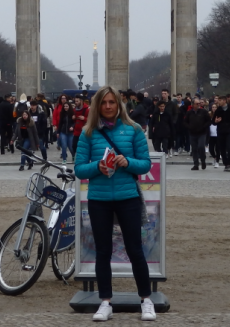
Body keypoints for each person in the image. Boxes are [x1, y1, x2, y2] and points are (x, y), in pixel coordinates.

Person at [73, 86, 155, 322]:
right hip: (99, 199)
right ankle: (105, 301)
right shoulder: (88, 133)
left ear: (119, 105)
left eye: (112, 102)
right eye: (104, 102)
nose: (108, 106)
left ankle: (145, 299)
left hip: (127, 197)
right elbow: (79, 169)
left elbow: (145, 164)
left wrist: (127, 161)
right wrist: (97, 167)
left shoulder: (134, 130)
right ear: (97, 106)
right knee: (103, 252)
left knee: (135, 250)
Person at [186, 98, 211, 170]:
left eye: (199, 103)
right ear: (193, 105)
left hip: (202, 133)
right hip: (192, 133)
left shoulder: (204, 112)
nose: (199, 105)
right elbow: (185, 122)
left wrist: (203, 127)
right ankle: (196, 164)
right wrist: (189, 127)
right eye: (197, 104)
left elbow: (209, 121)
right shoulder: (189, 113)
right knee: (194, 149)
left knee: (201, 147)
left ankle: (203, 161)